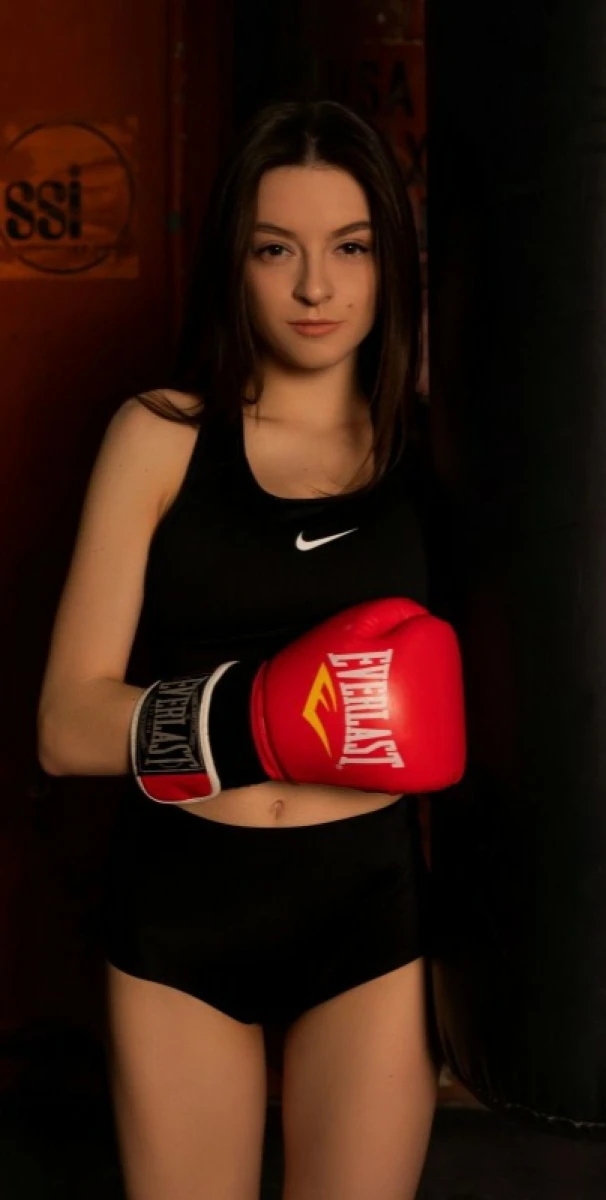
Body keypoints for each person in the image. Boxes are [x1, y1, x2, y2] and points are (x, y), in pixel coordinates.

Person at [36, 99, 464, 1200]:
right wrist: (265, 714)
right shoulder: (161, 434)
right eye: (277, 250)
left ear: (392, 262)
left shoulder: (435, 455)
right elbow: (66, 725)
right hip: (185, 903)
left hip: (366, 912)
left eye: (350, 248)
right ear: (235, 260)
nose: (316, 288)